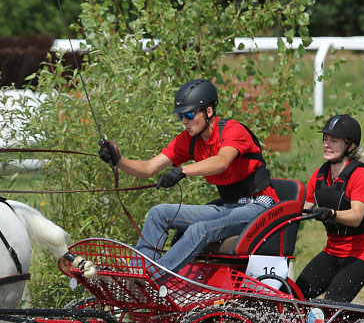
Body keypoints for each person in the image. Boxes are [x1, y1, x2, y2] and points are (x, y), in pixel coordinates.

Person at [97, 78, 278, 274]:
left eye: (189, 114)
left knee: (199, 228)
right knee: (159, 213)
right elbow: (149, 168)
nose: (184, 121)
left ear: (209, 112)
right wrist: (118, 160)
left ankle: (155, 278)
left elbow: (221, 161)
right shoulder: (189, 140)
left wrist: (182, 171)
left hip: (259, 206)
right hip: (228, 206)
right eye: (181, 116)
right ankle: (137, 274)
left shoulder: (233, 130)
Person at [296, 114, 364, 303]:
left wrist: (331, 213)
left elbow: (357, 216)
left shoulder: (360, 175)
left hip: (361, 254)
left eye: (334, 141)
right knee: (295, 296)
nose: (327, 144)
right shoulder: (319, 175)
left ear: (349, 146)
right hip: (332, 251)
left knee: (331, 305)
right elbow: (301, 210)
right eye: (325, 139)